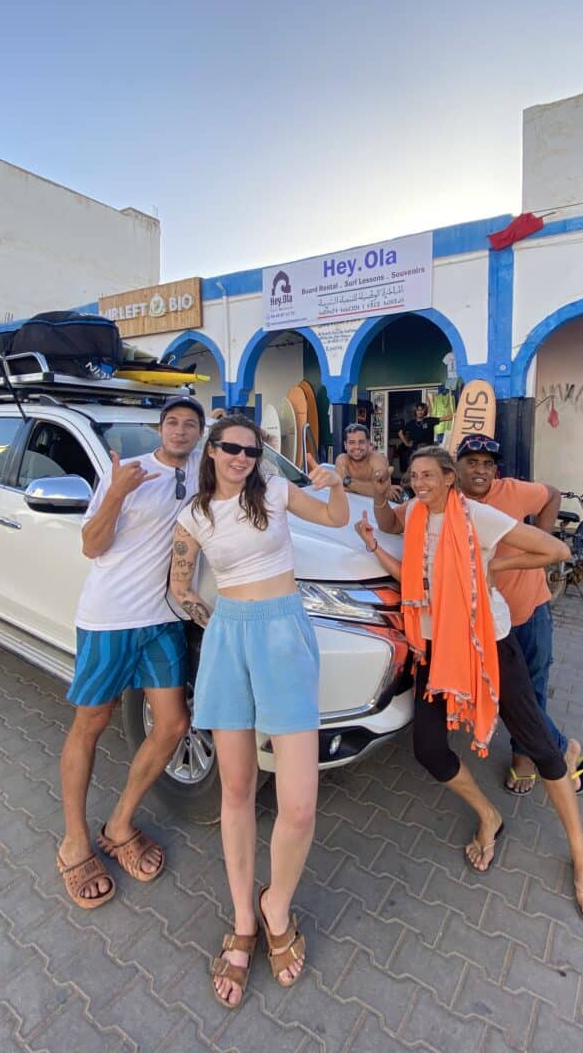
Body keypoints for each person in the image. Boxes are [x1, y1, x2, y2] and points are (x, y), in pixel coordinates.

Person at [359, 446, 583, 922]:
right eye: (414, 476)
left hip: (487, 646)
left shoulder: (479, 516)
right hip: (433, 647)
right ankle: (488, 816)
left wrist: (494, 567)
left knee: (539, 744)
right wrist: (375, 517)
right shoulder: (413, 512)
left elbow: (554, 549)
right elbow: (403, 551)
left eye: (429, 475)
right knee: (429, 749)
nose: (419, 484)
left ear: (450, 478)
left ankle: (582, 855)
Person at [170, 414, 349, 1008]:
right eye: (231, 448)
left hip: (284, 634)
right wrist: (212, 622)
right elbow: (180, 586)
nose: (242, 457)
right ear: (211, 449)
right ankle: (246, 919)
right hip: (230, 638)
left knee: (298, 802)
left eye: (251, 448)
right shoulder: (194, 514)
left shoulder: (274, 491)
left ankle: (278, 905)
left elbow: (335, 517)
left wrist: (335, 480)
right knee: (237, 790)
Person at [56, 394, 205, 910]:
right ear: (160, 428)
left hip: (162, 620)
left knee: (171, 725)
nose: (181, 431)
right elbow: (92, 546)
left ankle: (119, 824)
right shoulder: (131, 471)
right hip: (110, 620)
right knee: (90, 723)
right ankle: (75, 841)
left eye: (190, 424)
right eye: (173, 422)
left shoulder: (202, 480)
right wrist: (116, 492)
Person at [456, 434, 583, 796]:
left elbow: (551, 494)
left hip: (530, 607)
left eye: (488, 464)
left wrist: (541, 535)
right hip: (487, 618)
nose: (481, 470)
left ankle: (524, 760)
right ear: (456, 466)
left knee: (532, 687)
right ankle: (564, 747)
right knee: (506, 694)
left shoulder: (512, 491)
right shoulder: (449, 499)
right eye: (472, 462)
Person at [334, 422, 404, 501]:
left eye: (361, 442)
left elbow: (381, 489)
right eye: (352, 442)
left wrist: (347, 482)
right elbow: (381, 491)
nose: (357, 447)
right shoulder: (342, 459)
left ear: (368, 443)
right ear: (345, 445)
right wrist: (377, 490)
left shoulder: (377, 459)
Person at [397, 401, 441, 474]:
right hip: (414, 451)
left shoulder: (429, 421)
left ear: (425, 411)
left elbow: (445, 418)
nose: (420, 412)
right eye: (418, 410)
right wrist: (407, 444)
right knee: (415, 470)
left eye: (422, 410)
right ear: (415, 411)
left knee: (427, 470)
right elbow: (400, 433)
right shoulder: (411, 423)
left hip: (427, 451)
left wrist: (456, 415)